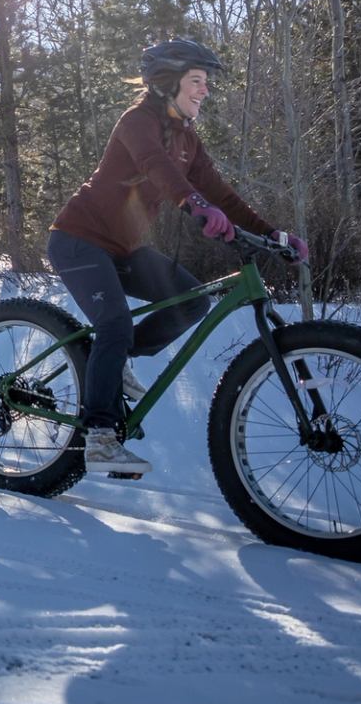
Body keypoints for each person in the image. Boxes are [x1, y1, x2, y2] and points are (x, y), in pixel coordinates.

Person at [47, 38, 307, 478]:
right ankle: (100, 437)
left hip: (123, 249)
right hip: (78, 240)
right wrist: (193, 203)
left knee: (191, 300)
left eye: (206, 83)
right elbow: (154, 165)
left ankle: (111, 361)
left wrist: (270, 233)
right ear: (168, 83)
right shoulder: (137, 121)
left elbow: (221, 192)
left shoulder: (188, 140)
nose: (205, 90)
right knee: (115, 323)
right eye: (197, 81)